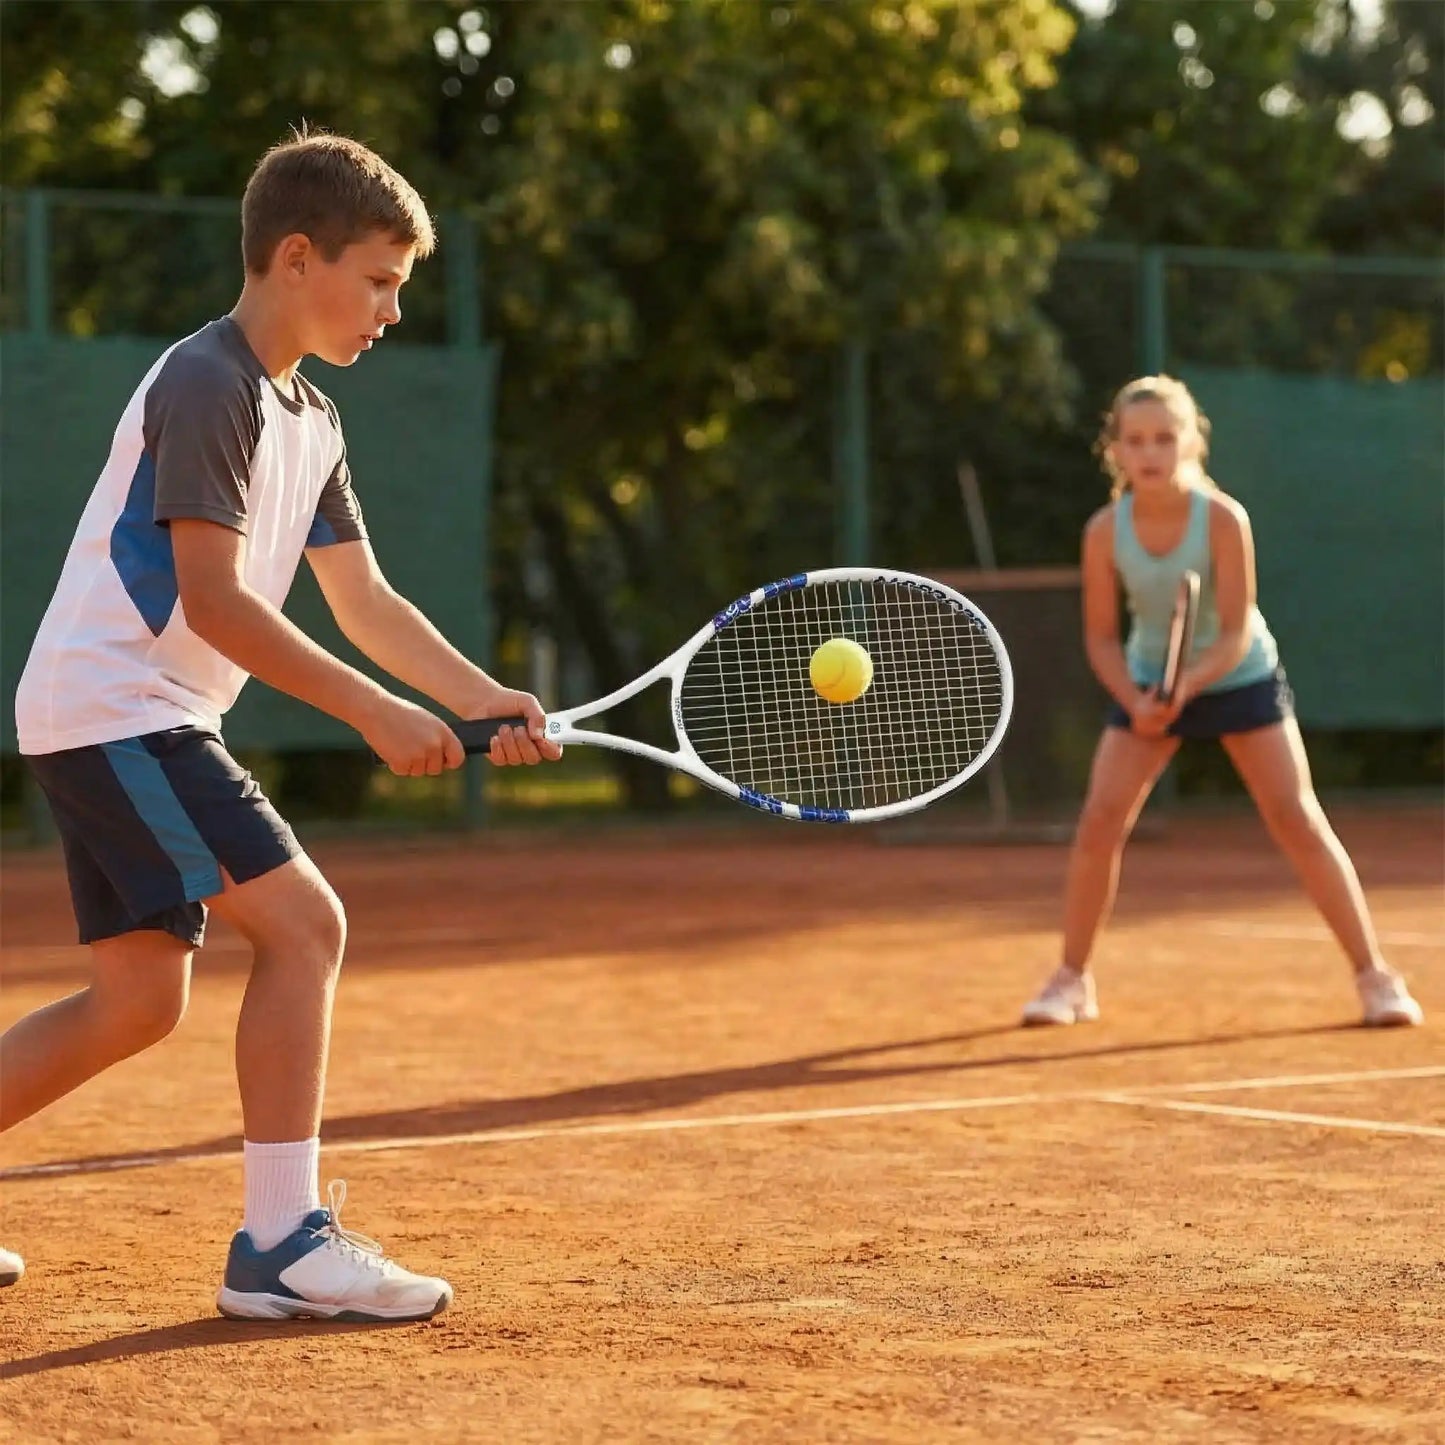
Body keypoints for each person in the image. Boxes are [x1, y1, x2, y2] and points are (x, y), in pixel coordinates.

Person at [0, 130, 561, 1319]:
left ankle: (277, 1239)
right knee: (305, 923)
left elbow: (366, 599)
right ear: (295, 257)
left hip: (122, 709)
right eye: (378, 280)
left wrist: (477, 697)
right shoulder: (211, 384)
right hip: (120, 706)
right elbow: (214, 599)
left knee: (137, 1001)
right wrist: (370, 713)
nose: (391, 309)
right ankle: (278, 1244)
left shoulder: (312, 418)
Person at [1021, 375, 1423, 1030]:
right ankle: (1071, 979)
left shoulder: (1223, 519)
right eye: (1135, 440)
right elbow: (1099, 636)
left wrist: (1190, 683)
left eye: (1163, 437)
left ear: (1189, 443)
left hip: (1238, 676)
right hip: (1148, 679)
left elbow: (1234, 628)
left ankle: (1374, 975)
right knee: (1099, 821)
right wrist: (1136, 696)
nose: (1149, 451)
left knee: (1295, 816)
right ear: (1115, 450)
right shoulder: (1102, 531)